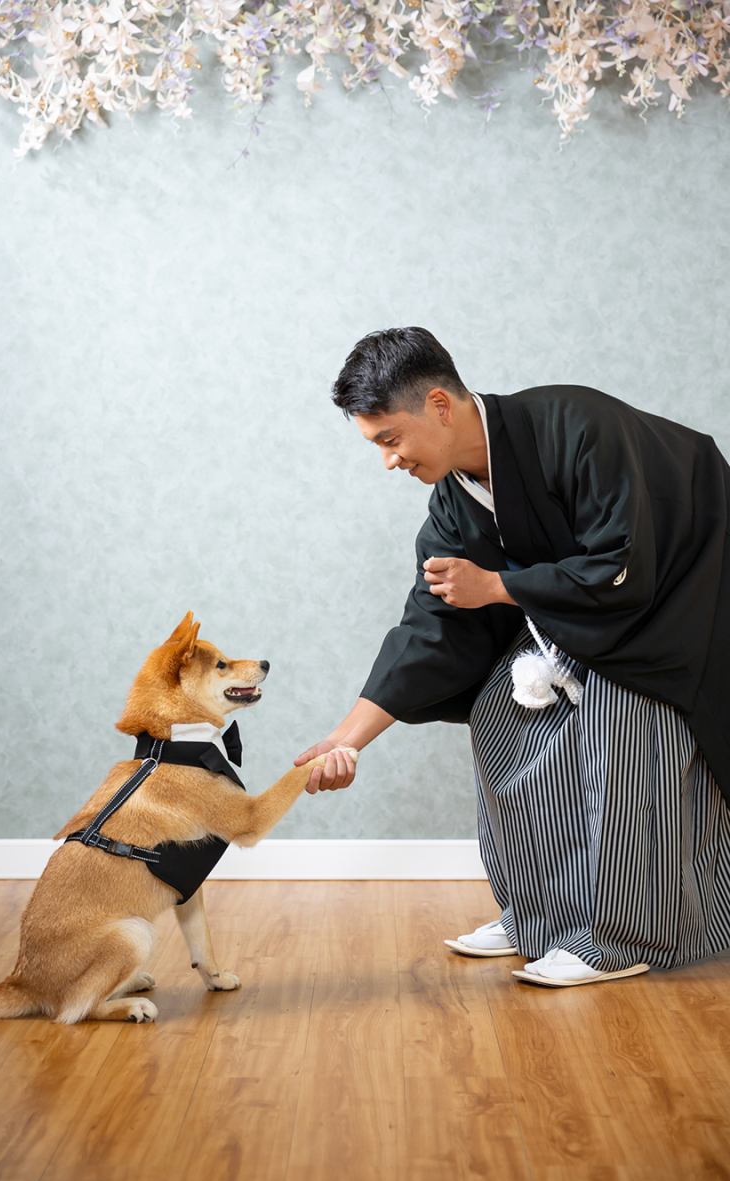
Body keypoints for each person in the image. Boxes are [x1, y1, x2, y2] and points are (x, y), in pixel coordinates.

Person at [295, 326, 730, 987]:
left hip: (684, 599)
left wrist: (498, 586)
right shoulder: (452, 501)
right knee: (501, 712)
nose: (389, 460)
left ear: (439, 404)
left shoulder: (578, 424)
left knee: (621, 716)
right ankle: (539, 915)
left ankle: (622, 937)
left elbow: (624, 565)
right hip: (587, 614)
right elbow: (431, 627)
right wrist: (344, 740)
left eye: (391, 439)